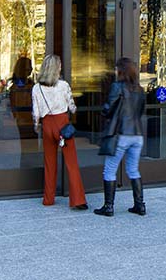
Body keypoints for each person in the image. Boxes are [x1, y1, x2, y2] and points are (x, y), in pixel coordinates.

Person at [31, 55, 88, 210]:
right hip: (62, 124)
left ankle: (48, 199)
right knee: (71, 163)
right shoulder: (63, 85)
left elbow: (36, 112)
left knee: (50, 163)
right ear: (57, 68)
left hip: (47, 125)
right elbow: (72, 106)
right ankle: (78, 200)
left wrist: (37, 126)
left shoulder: (36, 88)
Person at [94, 57, 146, 217]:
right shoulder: (140, 89)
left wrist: (103, 111)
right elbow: (140, 111)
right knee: (133, 170)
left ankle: (108, 207)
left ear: (121, 71)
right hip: (137, 135)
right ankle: (140, 206)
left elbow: (109, 108)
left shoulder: (117, 87)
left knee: (109, 170)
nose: (115, 71)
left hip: (121, 134)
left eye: (117, 69)